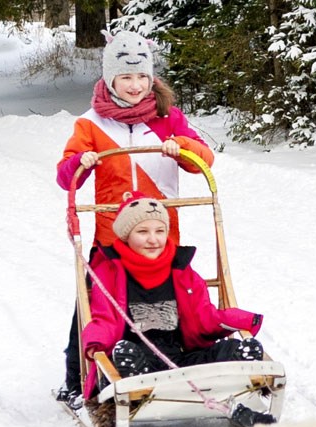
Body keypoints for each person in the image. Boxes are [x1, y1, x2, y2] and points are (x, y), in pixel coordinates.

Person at [55, 30, 217, 405]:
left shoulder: (168, 118)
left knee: (177, 301)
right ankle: (78, 379)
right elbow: (65, 176)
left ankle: (182, 363)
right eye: (126, 77)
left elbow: (203, 160)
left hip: (161, 234)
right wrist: (80, 162)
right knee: (96, 302)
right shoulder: (91, 124)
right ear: (110, 79)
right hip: (111, 237)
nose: (135, 85)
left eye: (142, 76)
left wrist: (183, 148)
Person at [79, 193, 272, 427]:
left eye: (159, 231)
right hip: (137, 355)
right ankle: (137, 378)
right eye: (142, 232)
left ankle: (241, 371)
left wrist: (239, 320)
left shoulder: (181, 269)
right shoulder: (109, 271)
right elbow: (104, 318)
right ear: (126, 235)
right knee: (124, 354)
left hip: (179, 358)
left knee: (229, 348)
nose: (153, 239)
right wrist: (95, 344)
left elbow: (203, 316)